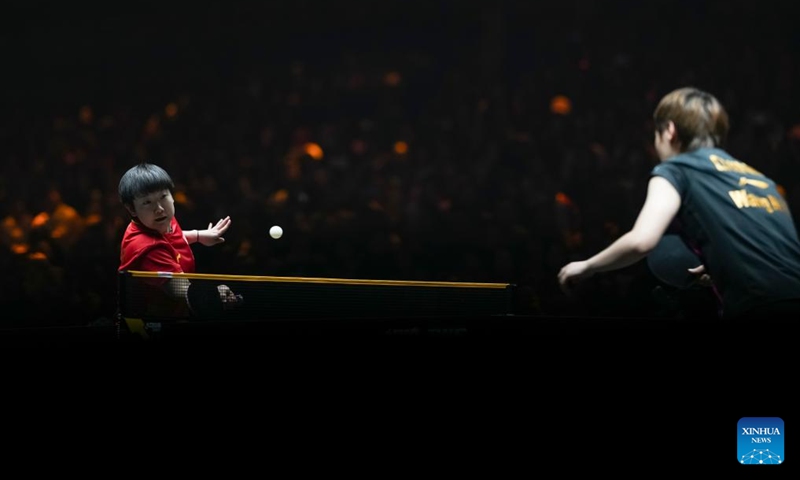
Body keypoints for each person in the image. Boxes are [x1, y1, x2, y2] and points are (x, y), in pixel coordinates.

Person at [557, 87, 800, 322]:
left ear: (669, 130)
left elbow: (641, 241)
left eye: (655, 133)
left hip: (759, 309)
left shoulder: (676, 169)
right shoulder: (760, 180)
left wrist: (587, 266)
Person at [118, 162, 242, 319]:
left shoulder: (157, 221)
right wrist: (215, 294)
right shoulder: (148, 250)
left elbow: (172, 236)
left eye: (163, 196)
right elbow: (183, 291)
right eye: (147, 202)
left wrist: (198, 235)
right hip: (156, 324)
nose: (159, 208)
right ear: (131, 209)